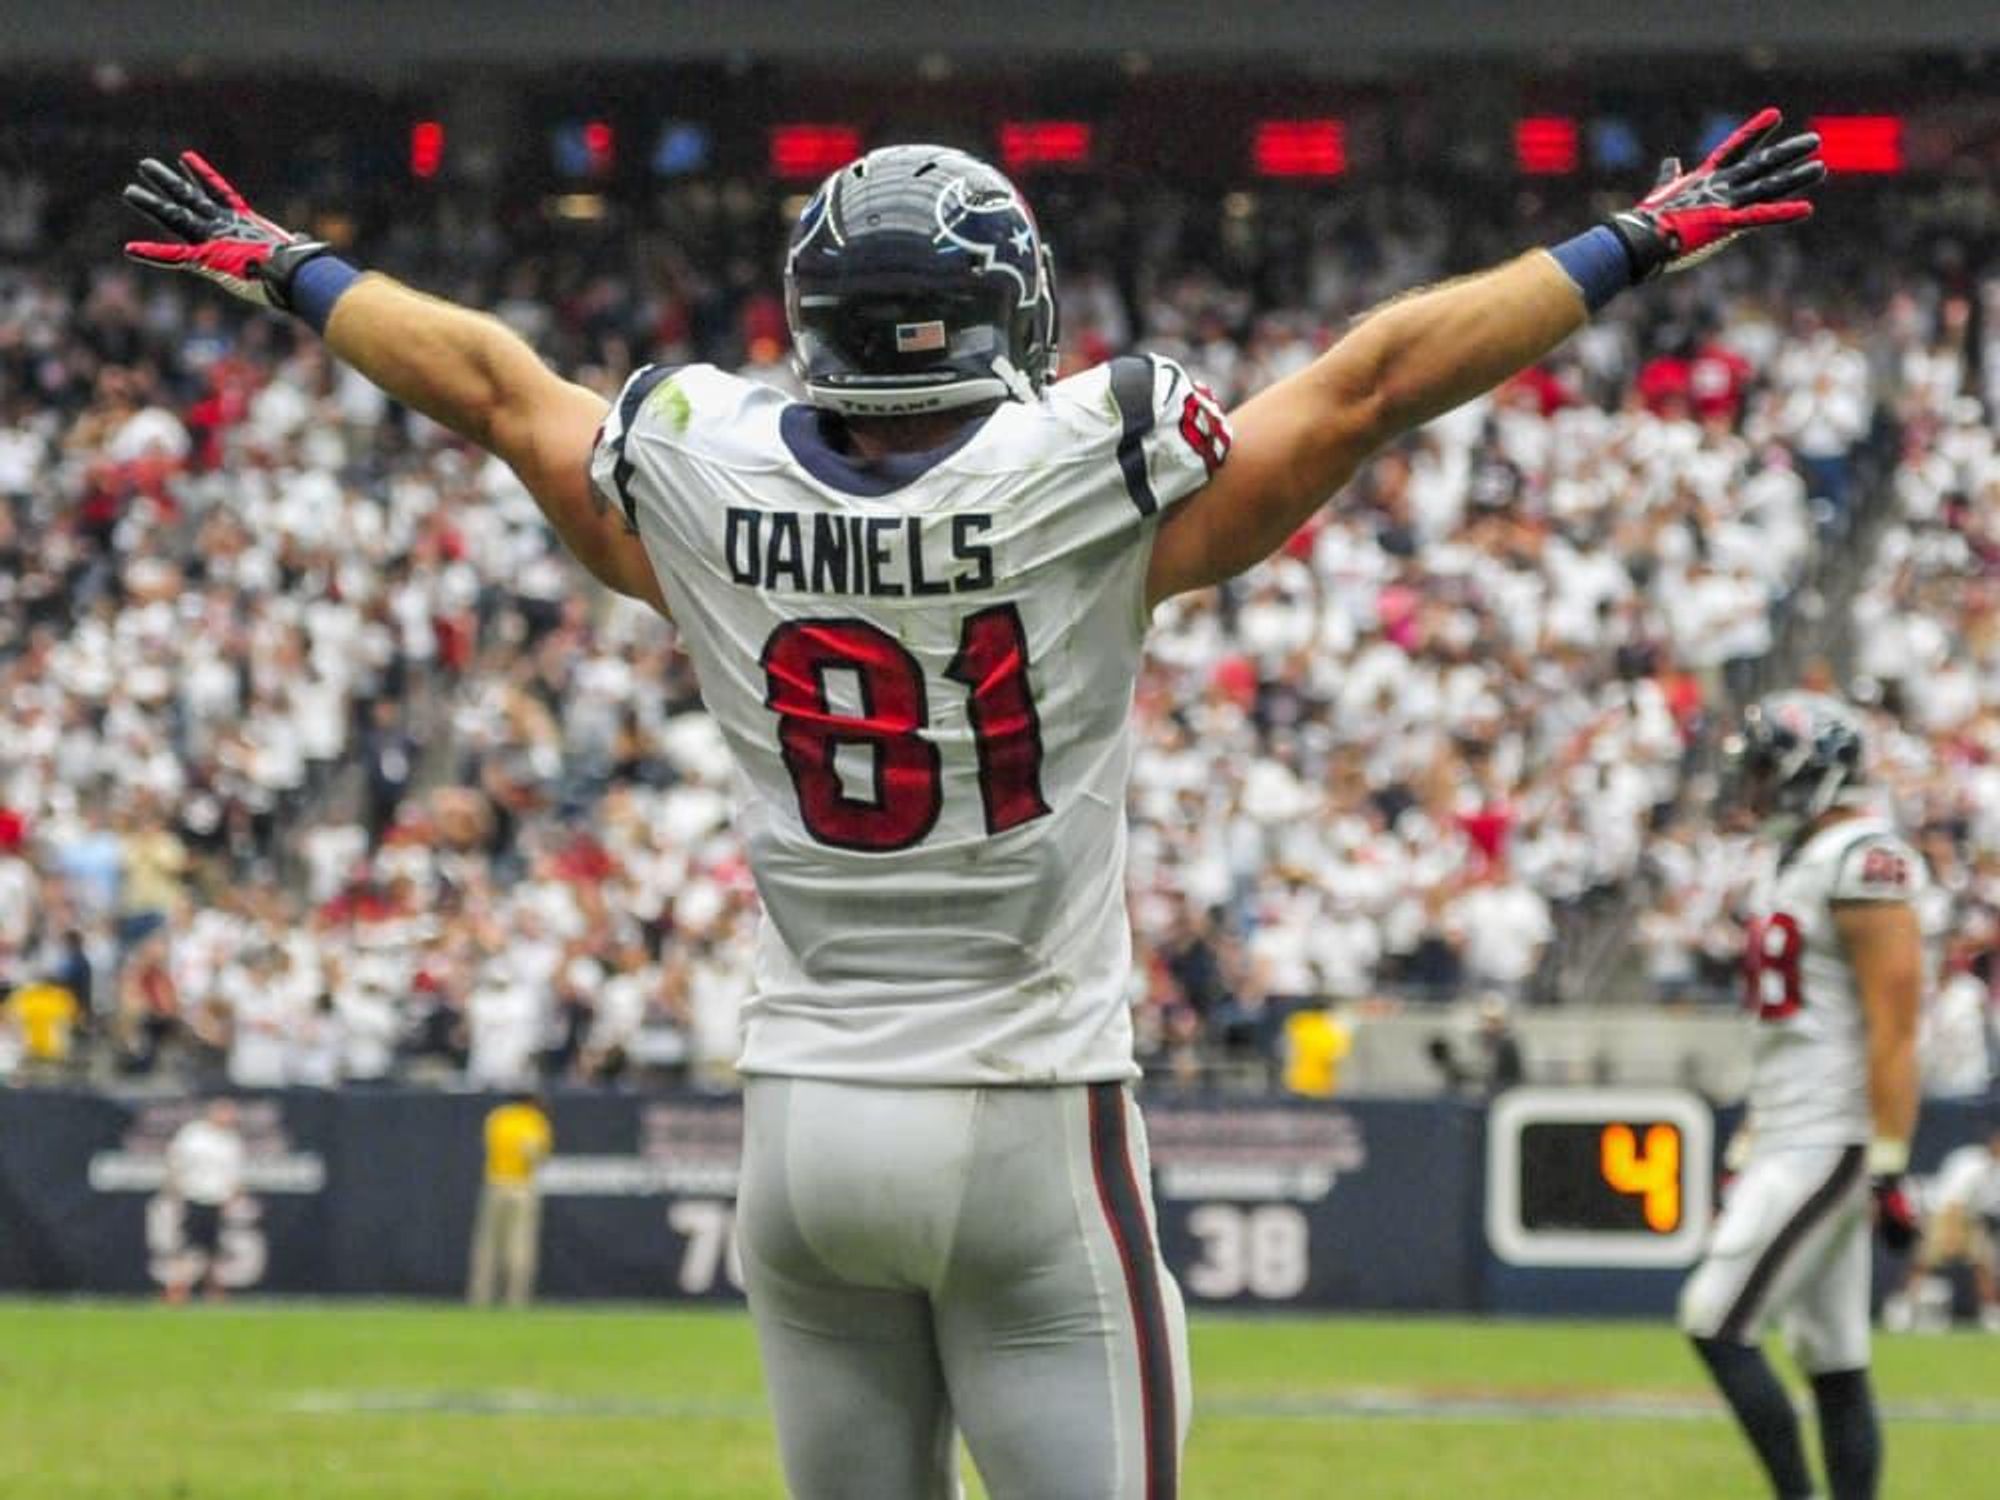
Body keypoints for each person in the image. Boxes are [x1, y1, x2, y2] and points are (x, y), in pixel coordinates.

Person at [120, 112, 1822, 1499]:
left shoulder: (704, 465)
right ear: (1014, 310)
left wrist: (291, 267)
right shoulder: (1087, 464)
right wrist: (1636, 236)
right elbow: (1373, 382)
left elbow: (494, 387)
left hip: (799, 1122)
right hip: (1027, 1107)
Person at [1678, 693, 1927, 1500]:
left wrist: (1889, 1157)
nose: (1749, 786)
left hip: (1832, 1135)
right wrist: (1755, 1134)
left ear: (1805, 772)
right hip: (1792, 1126)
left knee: (1715, 1321)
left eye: (1760, 768)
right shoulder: (1800, 860)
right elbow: (1794, 1029)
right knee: (1834, 1357)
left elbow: (1894, 1022)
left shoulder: (1863, 857)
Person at [1886, 1128, 2000, 1334]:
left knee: (1984, 1264)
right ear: (1993, 1143)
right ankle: (1900, 1310)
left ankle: (1992, 1314)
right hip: (1942, 1214)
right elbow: (1953, 1202)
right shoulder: (1971, 1162)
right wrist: (1951, 1234)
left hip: (1972, 1219)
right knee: (1924, 1262)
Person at [468, 1090, 553, 1307]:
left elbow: (487, 1146)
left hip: (496, 1183)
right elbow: (537, 1155)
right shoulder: (534, 1120)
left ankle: (481, 1297)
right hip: (522, 1186)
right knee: (520, 1246)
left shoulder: (497, 1118)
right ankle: (516, 1300)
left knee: (487, 1246)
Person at [164, 1098, 245, 1304]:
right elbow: (175, 1162)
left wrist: (231, 1199)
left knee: (213, 1249)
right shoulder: (193, 1134)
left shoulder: (231, 1141)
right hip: (194, 1196)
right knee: (188, 1247)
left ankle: (214, 1291)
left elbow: (234, 1175)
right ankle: (176, 1289)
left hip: (216, 1200)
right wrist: (175, 1190)